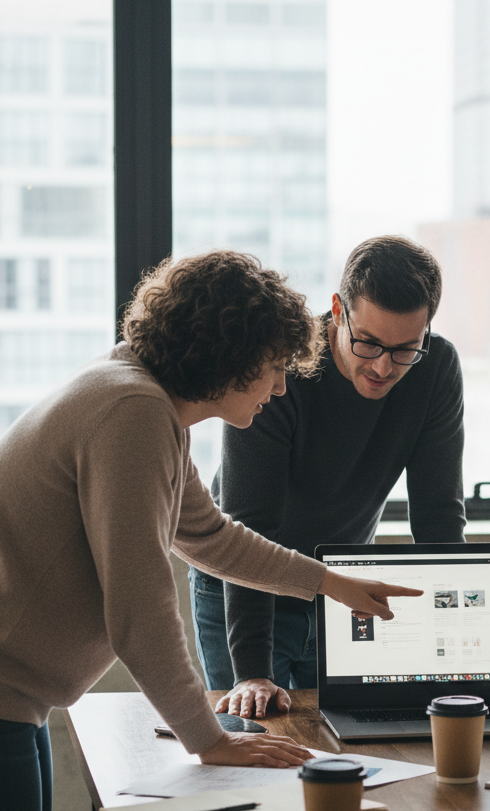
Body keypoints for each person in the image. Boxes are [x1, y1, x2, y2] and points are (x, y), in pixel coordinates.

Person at [0, 250, 422, 811]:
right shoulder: (131, 415)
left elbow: (209, 537)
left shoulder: (142, 403)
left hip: (12, 700)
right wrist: (207, 739)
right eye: (275, 368)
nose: (281, 387)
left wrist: (333, 582)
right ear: (229, 358)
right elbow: (141, 608)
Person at [190, 235, 465, 719]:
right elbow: (250, 524)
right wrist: (252, 670)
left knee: (348, 733)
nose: (383, 366)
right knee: (259, 735)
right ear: (338, 310)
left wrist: (456, 640)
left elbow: (439, 515)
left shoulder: (436, 368)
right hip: (247, 584)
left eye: (405, 349)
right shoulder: (282, 367)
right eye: (369, 342)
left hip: (343, 585)